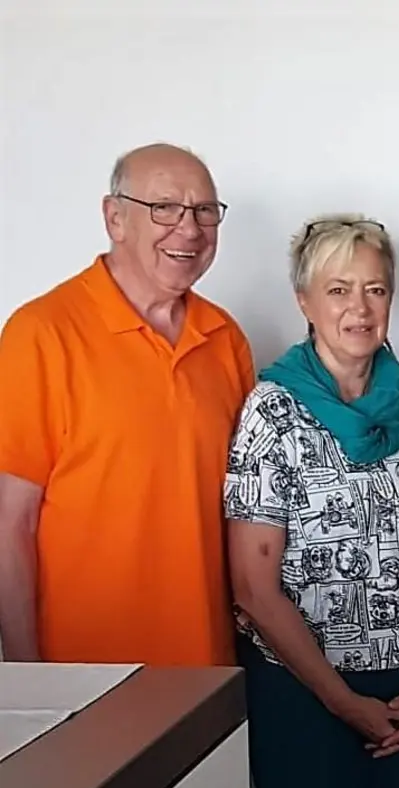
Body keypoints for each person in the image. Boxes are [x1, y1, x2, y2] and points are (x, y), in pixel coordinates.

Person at [223, 215, 399, 788]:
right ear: (304, 301)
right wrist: (340, 700)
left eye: (375, 289)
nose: (359, 308)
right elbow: (253, 585)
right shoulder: (272, 412)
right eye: (338, 290)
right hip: (303, 694)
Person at [0, 142, 255, 665]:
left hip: (208, 667)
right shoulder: (42, 333)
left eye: (205, 211)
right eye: (164, 207)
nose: (189, 229)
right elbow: (10, 525)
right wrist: (28, 677)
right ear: (114, 217)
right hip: (84, 671)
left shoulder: (224, 337)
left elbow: (248, 511)